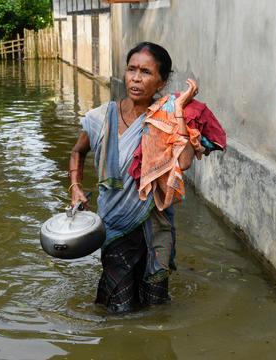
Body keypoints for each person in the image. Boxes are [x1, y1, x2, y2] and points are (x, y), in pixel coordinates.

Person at [68, 42, 199, 313]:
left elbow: (184, 161)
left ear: (161, 82)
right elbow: (77, 151)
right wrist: (75, 186)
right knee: (119, 307)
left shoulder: (165, 119)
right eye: (131, 69)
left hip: (155, 227)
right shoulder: (101, 118)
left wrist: (178, 109)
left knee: (155, 304)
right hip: (115, 226)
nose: (136, 78)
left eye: (146, 72)